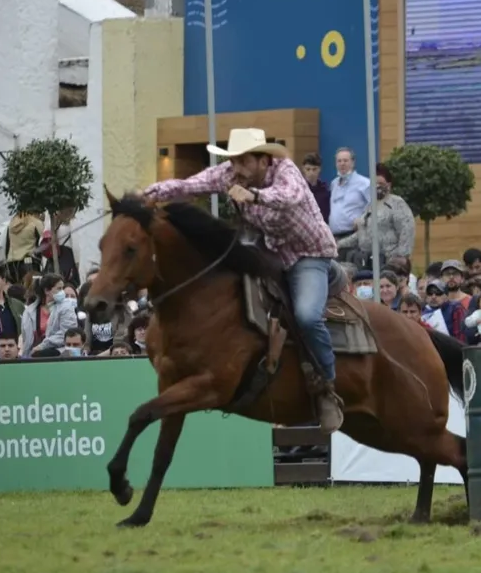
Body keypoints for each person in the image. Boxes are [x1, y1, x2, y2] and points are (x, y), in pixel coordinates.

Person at [142, 128, 344, 434]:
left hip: (308, 255)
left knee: (306, 316)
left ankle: (328, 387)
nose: (235, 168)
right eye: (232, 161)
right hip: (269, 250)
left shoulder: (286, 171)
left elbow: (291, 197)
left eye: (242, 161)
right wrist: (149, 194)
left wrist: (254, 195)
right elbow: (190, 185)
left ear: (263, 160)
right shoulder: (230, 175)